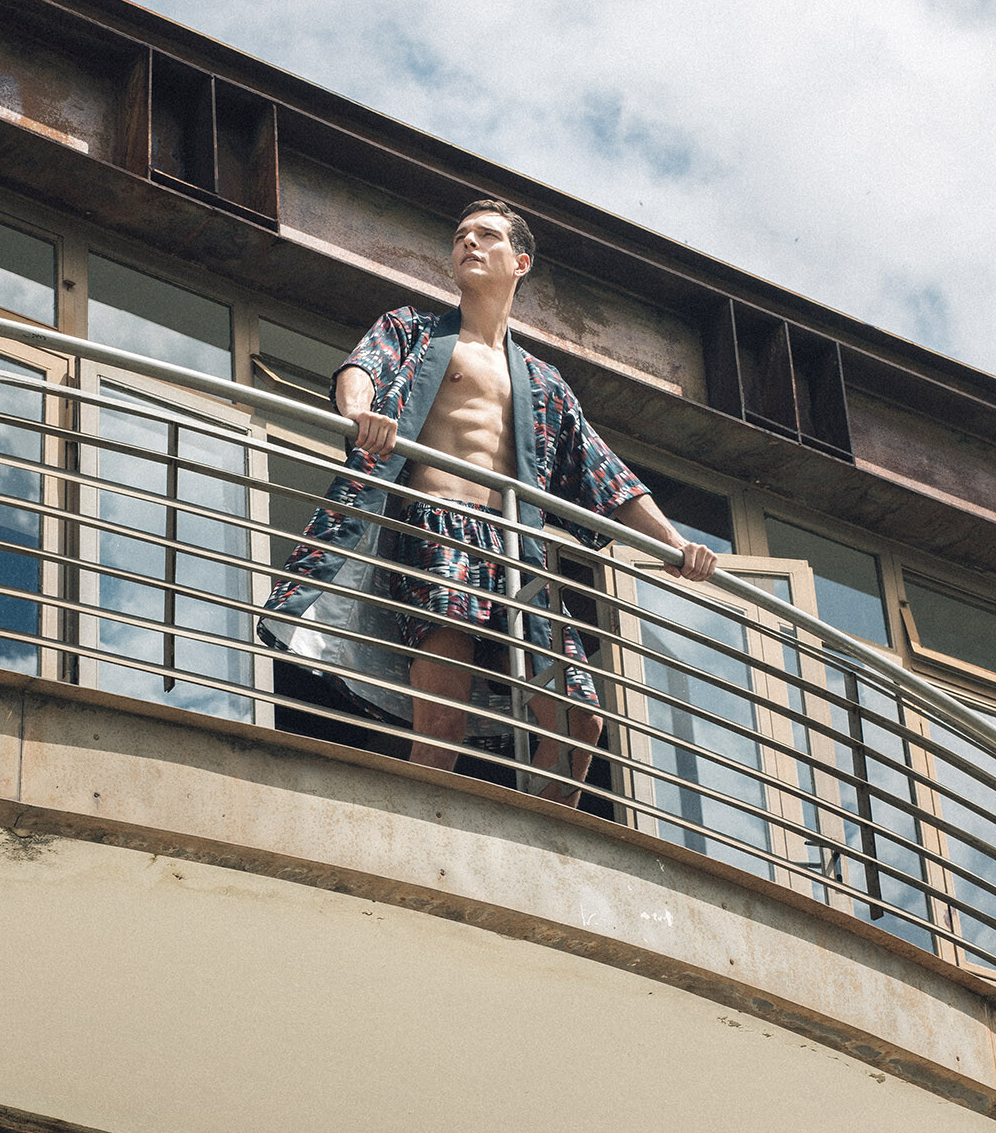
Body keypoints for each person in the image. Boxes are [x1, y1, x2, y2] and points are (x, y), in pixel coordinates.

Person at [260, 198, 718, 803]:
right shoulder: (414, 331)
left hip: (517, 552)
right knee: (442, 720)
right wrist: (360, 414)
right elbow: (361, 369)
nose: (468, 243)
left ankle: (542, 840)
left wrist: (675, 544)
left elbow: (604, 474)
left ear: (520, 262)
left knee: (581, 721)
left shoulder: (545, 383)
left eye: (486, 235)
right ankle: (420, 835)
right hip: (437, 528)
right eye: (460, 236)